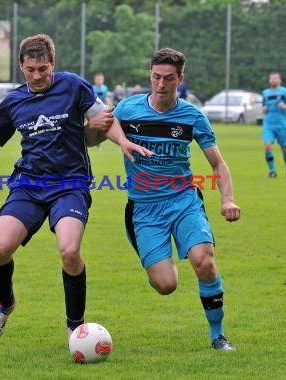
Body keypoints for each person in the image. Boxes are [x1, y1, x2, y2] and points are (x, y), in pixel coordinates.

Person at [0, 34, 150, 344]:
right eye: (31, 69)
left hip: (70, 184)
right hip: (29, 185)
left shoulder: (73, 85)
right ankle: (5, 304)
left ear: (53, 65)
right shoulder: (14, 101)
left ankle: (76, 327)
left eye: (43, 69)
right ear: (21, 66)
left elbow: (102, 118)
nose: (37, 76)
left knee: (69, 251)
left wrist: (123, 140)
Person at [102, 48, 241, 350]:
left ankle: (218, 335)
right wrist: (110, 134)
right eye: (155, 77)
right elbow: (98, 133)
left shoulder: (192, 117)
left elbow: (217, 163)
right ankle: (164, 258)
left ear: (180, 78)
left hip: (183, 201)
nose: (161, 84)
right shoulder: (127, 109)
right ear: (150, 75)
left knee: (203, 261)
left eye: (168, 78)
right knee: (166, 285)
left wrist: (227, 199)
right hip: (145, 209)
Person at [261, 71, 286, 178]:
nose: (273, 80)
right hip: (268, 125)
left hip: (281, 125)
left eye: (275, 78)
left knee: (284, 148)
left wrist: (285, 106)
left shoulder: (285, 92)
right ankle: (272, 171)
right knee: (267, 146)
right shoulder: (265, 93)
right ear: (269, 80)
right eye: (271, 78)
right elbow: (263, 107)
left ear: (279, 80)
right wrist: (264, 109)